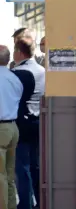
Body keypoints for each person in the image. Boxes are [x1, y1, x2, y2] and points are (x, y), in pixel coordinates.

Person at [12, 36, 45, 209]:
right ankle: (40, 202)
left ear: (18, 52)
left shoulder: (19, 73)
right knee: (35, 166)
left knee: (22, 168)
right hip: (39, 123)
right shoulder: (42, 70)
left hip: (22, 125)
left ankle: (25, 204)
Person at [0, 45, 23, 209]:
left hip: (1, 130)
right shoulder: (14, 78)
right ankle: (10, 206)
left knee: (0, 175)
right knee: (9, 174)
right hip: (12, 128)